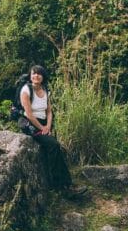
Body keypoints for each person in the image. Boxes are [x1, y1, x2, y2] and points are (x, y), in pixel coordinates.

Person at [19, 65, 87, 199]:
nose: (36, 76)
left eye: (39, 74)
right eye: (33, 74)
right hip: (30, 124)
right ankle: (62, 186)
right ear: (30, 76)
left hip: (44, 123)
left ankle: (61, 183)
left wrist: (48, 126)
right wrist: (42, 128)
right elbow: (29, 113)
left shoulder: (45, 90)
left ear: (43, 76)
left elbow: (49, 111)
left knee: (53, 147)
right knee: (54, 145)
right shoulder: (26, 90)